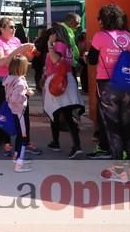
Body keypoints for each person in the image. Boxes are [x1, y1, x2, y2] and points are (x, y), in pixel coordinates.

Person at [87, 4, 130, 182]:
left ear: (105, 19)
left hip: (108, 84)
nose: (99, 22)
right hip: (128, 83)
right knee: (128, 124)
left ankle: (119, 170)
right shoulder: (129, 37)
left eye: (99, 18)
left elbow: (92, 60)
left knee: (112, 126)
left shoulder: (101, 36)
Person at [0, 17, 38, 156]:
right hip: (3, 82)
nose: (13, 30)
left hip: (18, 81)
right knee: (7, 113)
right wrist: (18, 50)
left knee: (23, 111)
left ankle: (26, 141)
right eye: (10, 27)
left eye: (14, 27)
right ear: (2, 29)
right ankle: (7, 144)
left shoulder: (16, 41)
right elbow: (1, 62)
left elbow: (27, 59)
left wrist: (30, 51)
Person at [42, 23, 85, 159]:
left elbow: (56, 60)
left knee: (59, 113)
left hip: (58, 83)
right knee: (63, 114)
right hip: (66, 80)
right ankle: (60, 143)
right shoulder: (67, 47)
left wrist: (49, 44)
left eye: (51, 34)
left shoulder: (58, 46)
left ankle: (74, 146)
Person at [4, 56, 34, 172]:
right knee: (23, 136)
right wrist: (27, 94)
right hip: (20, 111)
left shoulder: (9, 78)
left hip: (13, 110)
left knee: (19, 136)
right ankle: (19, 163)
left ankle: (16, 157)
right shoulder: (20, 82)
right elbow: (16, 98)